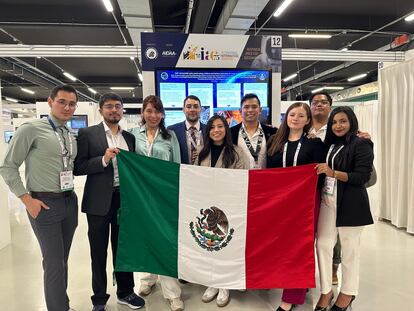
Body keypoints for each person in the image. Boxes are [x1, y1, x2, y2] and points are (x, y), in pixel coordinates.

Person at [0, 85, 79, 311]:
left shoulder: (69, 134)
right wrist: (27, 200)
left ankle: (63, 305)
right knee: (53, 263)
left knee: (62, 261)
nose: (67, 107)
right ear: (50, 102)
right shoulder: (31, 129)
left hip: (68, 201)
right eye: (62, 101)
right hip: (44, 204)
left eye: (72, 103)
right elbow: (7, 166)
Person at [73, 93, 145, 311]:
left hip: (124, 200)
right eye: (109, 107)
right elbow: (78, 167)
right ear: (101, 110)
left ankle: (125, 292)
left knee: (123, 249)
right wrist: (103, 160)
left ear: (123, 110)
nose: (114, 110)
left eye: (117, 106)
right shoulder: (87, 134)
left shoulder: (130, 138)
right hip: (98, 203)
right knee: (98, 251)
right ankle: (99, 299)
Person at [266, 102, 325, 311]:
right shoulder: (274, 141)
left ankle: (289, 298)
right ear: (286, 117)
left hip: (305, 204)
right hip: (280, 203)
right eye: (292, 114)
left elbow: (320, 174)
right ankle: (300, 283)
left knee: (299, 247)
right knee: (283, 246)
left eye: (302, 115)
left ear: (308, 120)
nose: (296, 118)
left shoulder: (315, 143)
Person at [314, 106, 374, 311]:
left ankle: (347, 293)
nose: (338, 126)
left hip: (351, 205)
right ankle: (326, 291)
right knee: (322, 244)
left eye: (343, 121)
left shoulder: (362, 144)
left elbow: (362, 177)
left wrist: (333, 173)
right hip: (327, 203)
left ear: (352, 122)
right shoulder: (329, 144)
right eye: (334, 122)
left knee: (350, 251)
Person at [129, 95, 184, 311]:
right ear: (143, 112)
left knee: (165, 241)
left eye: (157, 111)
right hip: (140, 196)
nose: (153, 115)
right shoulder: (133, 135)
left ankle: (172, 292)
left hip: (163, 196)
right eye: (149, 111)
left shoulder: (170, 137)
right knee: (145, 239)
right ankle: (147, 281)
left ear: (162, 114)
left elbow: (177, 166)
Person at [196, 115, 249, 307]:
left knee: (227, 246)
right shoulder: (202, 152)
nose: (216, 130)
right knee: (211, 245)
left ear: (226, 130)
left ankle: (225, 284)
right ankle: (213, 281)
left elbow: (243, 179)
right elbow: (195, 176)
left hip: (229, 206)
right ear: (207, 131)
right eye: (212, 127)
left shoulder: (237, 152)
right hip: (209, 205)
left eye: (220, 126)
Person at [230, 93, 277, 169]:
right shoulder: (230, 133)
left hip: (264, 178)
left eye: (254, 107)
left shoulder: (272, 132)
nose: (250, 110)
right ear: (240, 111)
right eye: (246, 107)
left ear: (260, 110)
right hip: (240, 178)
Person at [168, 95, 206, 165]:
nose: (192, 109)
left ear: (201, 109)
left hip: (204, 173)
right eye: (188, 107)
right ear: (183, 110)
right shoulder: (172, 130)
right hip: (182, 173)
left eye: (196, 106)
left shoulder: (208, 130)